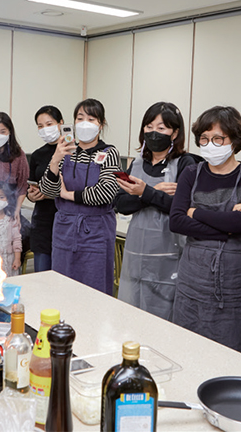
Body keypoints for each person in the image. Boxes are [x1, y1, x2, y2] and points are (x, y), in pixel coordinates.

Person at [169, 106, 241, 354]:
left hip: (232, 284)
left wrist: (197, 213)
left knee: (230, 353)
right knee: (186, 349)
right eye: (204, 138)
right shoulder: (192, 173)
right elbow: (176, 221)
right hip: (191, 279)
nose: (209, 144)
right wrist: (228, 225)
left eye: (218, 138)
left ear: (234, 140)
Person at [115, 101, 197, 320]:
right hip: (136, 251)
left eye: (161, 128)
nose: (153, 133)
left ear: (175, 132)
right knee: (132, 310)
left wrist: (144, 193)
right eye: (149, 126)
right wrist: (151, 193)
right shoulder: (138, 163)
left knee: (163, 314)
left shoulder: (185, 163)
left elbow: (182, 208)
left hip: (168, 253)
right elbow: (120, 204)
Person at [39, 98, 120, 294]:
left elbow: (106, 192)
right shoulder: (65, 151)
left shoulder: (109, 153)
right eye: (80, 118)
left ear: (100, 125)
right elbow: (47, 190)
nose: (84, 123)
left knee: (94, 287)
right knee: (62, 286)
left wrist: (68, 195)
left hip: (96, 231)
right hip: (64, 229)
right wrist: (55, 159)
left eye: (91, 119)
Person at [27, 105, 64, 273]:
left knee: (64, 275)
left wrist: (49, 193)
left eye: (49, 124)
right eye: (40, 126)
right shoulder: (37, 155)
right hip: (42, 221)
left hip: (65, 219)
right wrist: (31, 195)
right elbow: (31, 184)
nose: (45, 129)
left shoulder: (74, 151)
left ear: (61, 123)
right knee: (42, 274)